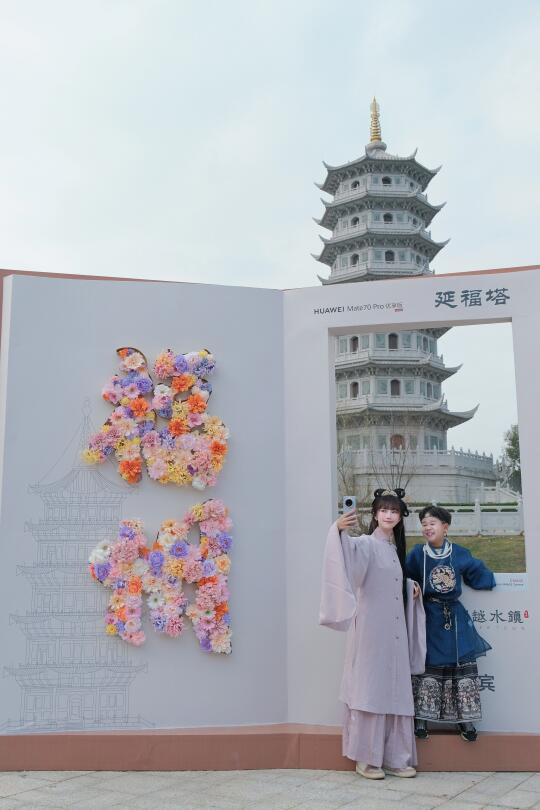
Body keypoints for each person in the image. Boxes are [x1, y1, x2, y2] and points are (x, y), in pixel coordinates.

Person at [319, 489, 426, 780]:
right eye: (384, 510)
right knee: (370, 687)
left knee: (395, 686)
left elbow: (390, 581)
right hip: (370, 629)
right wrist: (338, 530)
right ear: (375, 515)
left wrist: (409, 587)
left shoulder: (393, 549)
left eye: (394, 511)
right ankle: (366, 758)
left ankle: (396, 756)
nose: (389, 515)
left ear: (400, 517)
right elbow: (348, 562)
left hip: (394, 629)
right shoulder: (366, 544)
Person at [406, 505, 495, 742]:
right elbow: (405, 576)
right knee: (426, 662)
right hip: (429, 616)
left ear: (445, 527)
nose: (427, 527)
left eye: (432, 523)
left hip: (454, 617)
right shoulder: (417, 554)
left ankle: (465, 719)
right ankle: (421, 718)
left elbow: (477, 572)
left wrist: (492, 581)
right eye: (424, 524)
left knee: (461, 663)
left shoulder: (459, 553)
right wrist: (411, 585)